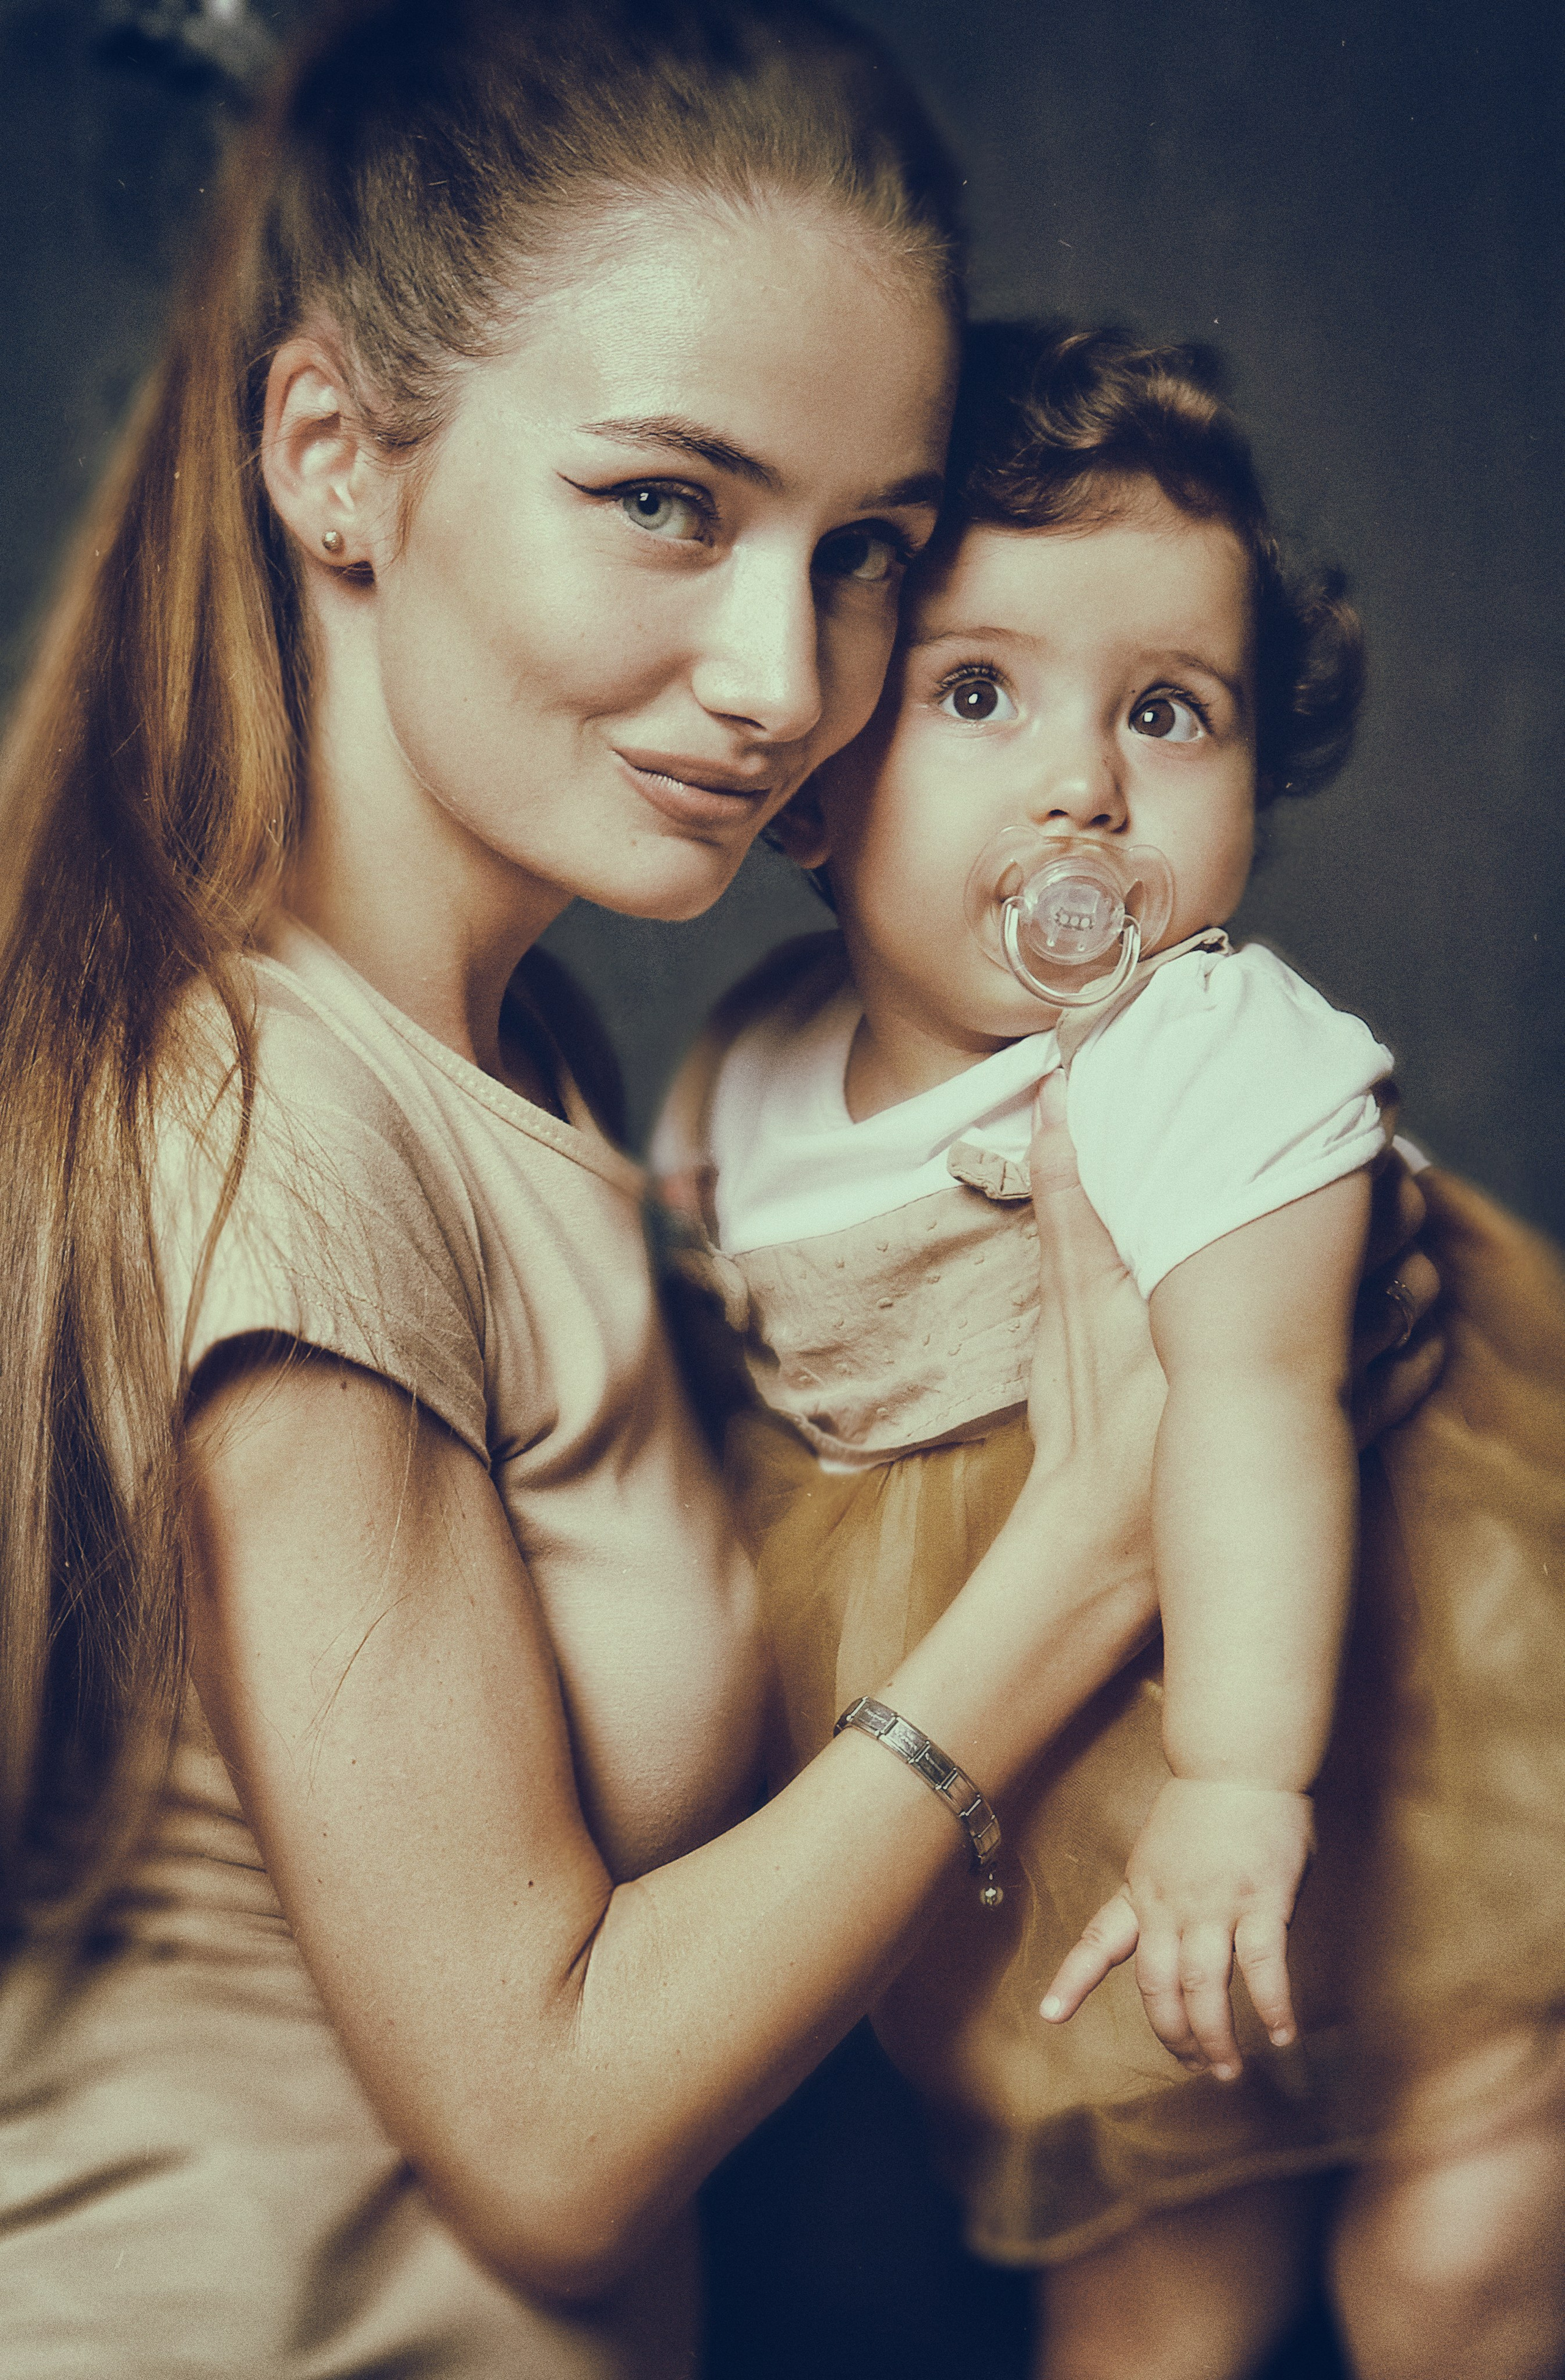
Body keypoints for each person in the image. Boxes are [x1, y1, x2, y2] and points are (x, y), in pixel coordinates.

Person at [0, 5, 1438, 2368]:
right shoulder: (279, 1131)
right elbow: (553, 2145)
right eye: (671, 501)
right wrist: (1101, 1542)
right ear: (337, 458)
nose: (788, 672)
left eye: (864, 551)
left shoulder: (528, 1061)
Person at [653, 321, 1565, 2380]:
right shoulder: (757, 1066)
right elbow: (759, 1356)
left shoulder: (1198, 1053)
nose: (1085, 783)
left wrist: (1242, 1778)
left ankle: (1498, 2219)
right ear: (815, 783)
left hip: (1335, 1693)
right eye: (980, 693)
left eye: (1172, 710)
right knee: (1143, 2291)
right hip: (1044, 1756)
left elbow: (1245, 1407)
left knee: (1451, 2229)